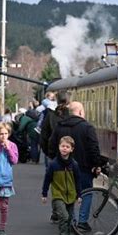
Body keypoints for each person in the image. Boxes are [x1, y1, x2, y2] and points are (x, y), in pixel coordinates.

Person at [48, 101, 102, 232]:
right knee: (87, 193)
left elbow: (51, 145)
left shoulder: (59, 127)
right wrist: (96, 164)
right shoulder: (87, 127)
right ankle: (82, 222)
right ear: (81, 112)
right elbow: (93, 148)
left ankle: (70, 220)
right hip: (83, 167)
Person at [42, 136, 81, 235]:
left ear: (71, 149)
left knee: (69, 218)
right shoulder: (53, 164)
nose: (64, 148)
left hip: (71, 195)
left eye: (67, 147)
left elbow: (77, 180)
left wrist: (79, 194)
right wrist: (44, 194)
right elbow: (47, 179)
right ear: (59, 147)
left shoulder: (74, 165)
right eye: (62, 146)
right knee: (64, 216)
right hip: (58, 194)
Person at [40, 91, 70, 223]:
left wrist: (48, 153)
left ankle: (56, 212)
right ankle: (68, 212)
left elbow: (43, 137)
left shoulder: (50, 116)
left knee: (56, 184)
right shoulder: (71, 116)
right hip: (70, 155)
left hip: (54, 154)